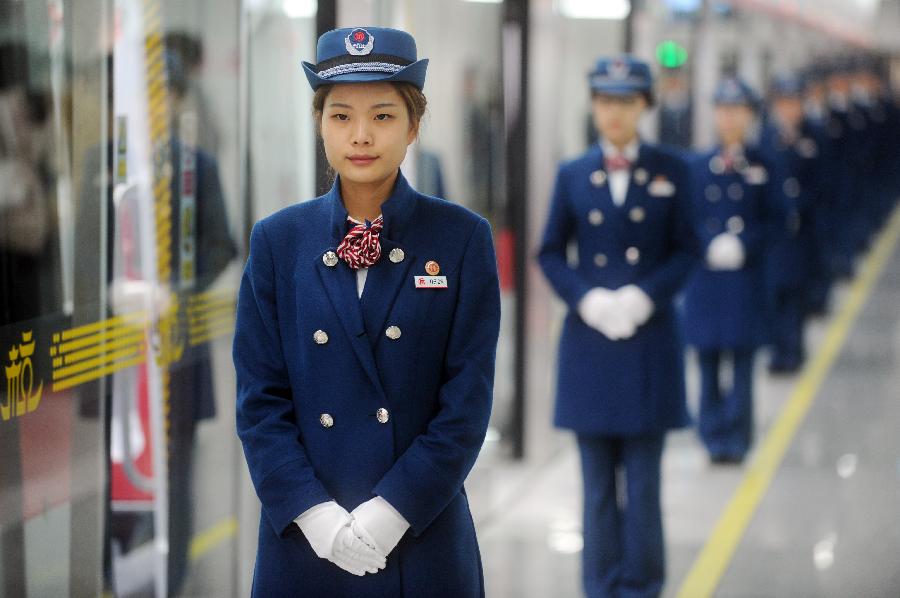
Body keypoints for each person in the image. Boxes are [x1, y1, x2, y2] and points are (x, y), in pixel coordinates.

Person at [233, 27, 500, 598]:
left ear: (414, 127)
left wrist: (392, 511)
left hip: (421, 534)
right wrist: (315, 517)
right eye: (340, 116)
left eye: (382, 116)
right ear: (319, 125)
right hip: (304, 541)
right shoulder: (279, 241)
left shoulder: (461, 239)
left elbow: (467, 403)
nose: (360, 136)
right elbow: (260, 402)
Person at [537, 55, 696, 598]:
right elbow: (551, 252)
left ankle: (644, 584)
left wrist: (644, 296)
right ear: (593, 105)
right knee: (597, 486)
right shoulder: (573, 173)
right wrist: (587, 300)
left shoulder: (674, 170)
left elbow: (686, 250)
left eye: (626, 101)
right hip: (591, 348)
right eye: (605, 100)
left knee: (645, 483)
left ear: (644, 106)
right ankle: (601, 585)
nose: (614, 112)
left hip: (649, 343)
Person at [681, 77, 781, 464]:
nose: (729, 118)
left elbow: (778, 219)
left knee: (741, 365)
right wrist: (708, 244)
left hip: (745, 280)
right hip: (706, 282)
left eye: (737, 110)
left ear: (750, 115)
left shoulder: (765, 164)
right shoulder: (696, 166)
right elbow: (685, 221)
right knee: (706, 365)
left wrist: (745, 243)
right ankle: (711, 435)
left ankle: (737, 437)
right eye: (723, 110)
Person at [758, 73, 826, 372]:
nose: (789, 110)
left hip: (804, 229)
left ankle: (794, 350)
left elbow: (827, 179)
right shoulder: (765, 138)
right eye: (783, 103)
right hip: (774, 232)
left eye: (794, 103)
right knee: (774, 292)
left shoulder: (814, 134)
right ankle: (777, 351)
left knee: (797, 292)